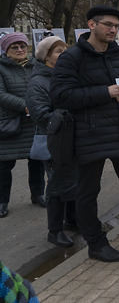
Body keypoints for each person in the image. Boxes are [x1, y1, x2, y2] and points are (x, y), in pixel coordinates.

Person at [50, 5, 119, 262]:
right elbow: (60, 96)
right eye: (108, 25)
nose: (113, 30)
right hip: (88, 134)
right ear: (91, 25)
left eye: (116, 26)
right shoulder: (72, 57)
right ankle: (96, 243)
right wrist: (105, 92)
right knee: (88, 191)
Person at [25, 36, 77, 247]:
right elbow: (41, 115)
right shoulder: (38, 82)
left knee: (75, 179)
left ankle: (73, 220)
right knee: (56, 183)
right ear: (46, 57)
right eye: (58, 51)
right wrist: (68, 115)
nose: (64, 54)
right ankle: (54, 230)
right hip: (54, 140)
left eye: (66, 50)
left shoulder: (69, 76)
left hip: (73, 137)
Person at [0, 33, 44, 219]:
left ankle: (38, 194)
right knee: (4, 165)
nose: (20, 50)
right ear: (6, 50)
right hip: (9, 122)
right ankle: (2, 201)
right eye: (14, 47)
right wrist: (25, 105)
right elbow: (1, 95)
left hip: (33, 122)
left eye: (22, 46)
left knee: (37, 160)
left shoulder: (36, 65)